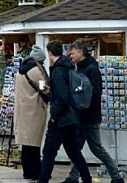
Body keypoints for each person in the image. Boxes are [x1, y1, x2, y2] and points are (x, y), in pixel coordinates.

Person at [65, 39, 124, 183]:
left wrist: (79, 94)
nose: (70, 56)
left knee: (96, 148)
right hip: (81, 115)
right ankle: (73, 177)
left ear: (80, 52)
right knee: (76, 148)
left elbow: (95, 91)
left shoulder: (91, 69)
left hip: (89, 115)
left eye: (72, 53)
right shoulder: (79, 68)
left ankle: (116, 177)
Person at [37, 41, 92, 183]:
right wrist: (52, 91)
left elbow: (62, 97)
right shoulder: (69, 67)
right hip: (72, 117)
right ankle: (87, 178)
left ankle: (43, 180)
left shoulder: (58, 70)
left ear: (50, 53)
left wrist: (54, 115)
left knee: (49, 152)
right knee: (74, 152)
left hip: (61, 119)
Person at [14, 45, 50, 181]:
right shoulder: (36, 71)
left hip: (22, 110)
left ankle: (27, 172)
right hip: (33, 111)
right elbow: (44, 89)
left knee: (26, 144)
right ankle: (34, 172)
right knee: (34, 144)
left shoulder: (20, 70)